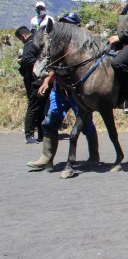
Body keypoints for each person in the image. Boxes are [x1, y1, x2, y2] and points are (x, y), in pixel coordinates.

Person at [27, 12, 98, 170]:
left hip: (77, 91)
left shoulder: (81, 45)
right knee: (50, 121)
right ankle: (46, 158)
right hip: (59, 89)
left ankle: (94, 155)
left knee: (86, 123)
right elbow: (52, 65)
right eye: (63, 22)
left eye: (69, 23)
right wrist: (47, 80)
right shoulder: (57, 44)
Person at [15, 25, 48, 144]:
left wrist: (39, 63)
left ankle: (38, 134)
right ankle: (30, 134)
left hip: (34, 80)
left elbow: (28, 59)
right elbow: (29, 59)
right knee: (36, 106)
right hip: (38, 80)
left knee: (37, 107)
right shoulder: (36, 41)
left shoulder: (30, 43)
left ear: (23, 36)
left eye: (20, 39)